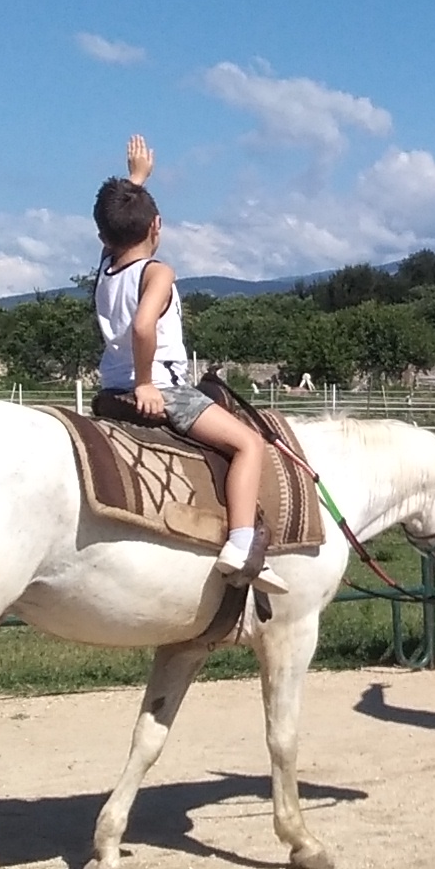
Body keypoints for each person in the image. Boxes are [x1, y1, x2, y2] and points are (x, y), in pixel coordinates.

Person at [92, 136, 280, 592]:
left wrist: (135, 180)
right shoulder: (158, 272)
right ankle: (241, 544)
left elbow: (117, 224)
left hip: (109, 388)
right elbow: (143, 326)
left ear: (103, 238)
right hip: (164, 388)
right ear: (157, 225)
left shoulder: (105, 267)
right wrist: (145, 383)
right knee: (249, 444)